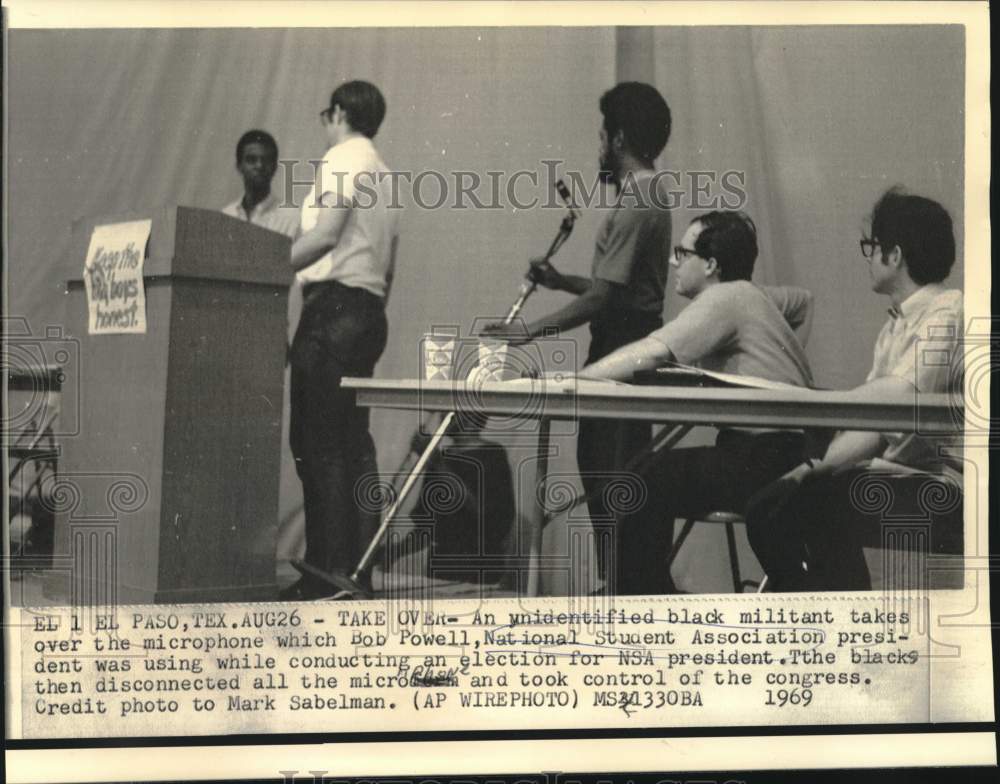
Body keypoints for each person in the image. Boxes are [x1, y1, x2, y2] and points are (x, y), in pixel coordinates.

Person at [482, 82, 674, 582]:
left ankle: (625, 592)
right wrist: (560, 281)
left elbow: (605, 299)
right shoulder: (649, 193)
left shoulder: (637, 200)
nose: (599, 147)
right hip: (628, 341)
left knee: (611, 477)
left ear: (619, 138)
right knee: (612, 474)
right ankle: (624, 587)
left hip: (622, 347)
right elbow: (615, 287)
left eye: (602, 135)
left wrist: (529, 330)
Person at [579, 210, 815, 594]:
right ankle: (647, 594)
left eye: (681, 253)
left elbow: (652, 351)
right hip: (791, 451)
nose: (673, 261)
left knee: (635, 482)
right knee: (649, 473)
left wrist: (576, 380)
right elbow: (804, 302)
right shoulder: (751, 295)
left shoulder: (723, 297)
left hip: (762, 457)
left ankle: (642, 604)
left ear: (710, 264)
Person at [745, 188, 963, 592]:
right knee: (773, 504)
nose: (869, 258)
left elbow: (901, 395)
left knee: (817, 505)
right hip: (900, 477)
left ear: (894, 255)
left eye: (872, 247)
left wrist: (820, 406)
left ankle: (837, 619)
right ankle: (817, 608)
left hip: (948, 491)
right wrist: (809, 470)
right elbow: (872, 427)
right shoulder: (895, 326)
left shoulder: (947, 312)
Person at [281, 81, 401, 600]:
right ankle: (357, 572)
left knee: (316, 442)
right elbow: (388, 266)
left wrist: (262, 269)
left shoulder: (341, 159)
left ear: (338, 114)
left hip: (331, 310)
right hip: (368, 310)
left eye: (324, 114)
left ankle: (327, 572)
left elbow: (326, 234)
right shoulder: (387, 175)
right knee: (354, 444)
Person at [222, 129, 300, 240]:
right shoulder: (226, 216)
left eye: (266, 160)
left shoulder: (291, 218)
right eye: (251, 160)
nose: (259, 165)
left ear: (275, 167)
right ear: (239, 166)